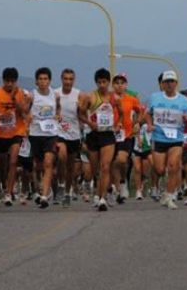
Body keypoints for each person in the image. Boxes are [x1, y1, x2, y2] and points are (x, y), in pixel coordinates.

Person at [146, 70, 187, 210]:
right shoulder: (155, 97)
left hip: (176, 138)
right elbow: (148, 114)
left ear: (176, 83)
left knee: (174, 166)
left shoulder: (183, 100)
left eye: (172, 81)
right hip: (159, 137)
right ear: (162, 84)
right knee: (160, 169)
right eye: (166, 82)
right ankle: (164, 189)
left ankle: (169, 195)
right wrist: (149, 124)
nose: (169, 84)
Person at [78, 68, 123, 212]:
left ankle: (102, 198)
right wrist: (90, 123)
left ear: (109, 82)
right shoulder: (90, 97)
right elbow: (81, 114)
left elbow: (121, 113)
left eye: (104, 82)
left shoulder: (114, 98)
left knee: (105, 166)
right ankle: (103, 191)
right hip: (93, 135)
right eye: (99, 82)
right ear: (96, 82)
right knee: (96, 169)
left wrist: (118, 124)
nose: (102, 85)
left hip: (108, 135)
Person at [0, 67, 28, 206]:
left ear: (16, 81)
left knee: (13, 161)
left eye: (12, 82)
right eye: (7, 81)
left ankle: (8, 193)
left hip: (16, 131)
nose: (9, 84)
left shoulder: (21, 93)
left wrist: (15, 98)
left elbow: (24, 112)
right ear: (3, 80)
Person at [28, 67, 61, 209]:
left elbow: (58, 108)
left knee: (48, 163)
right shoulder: (32, 95)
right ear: (36, 81)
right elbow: (24, 110)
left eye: (45, 79)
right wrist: (27, 116)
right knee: (39, 165)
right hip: (35, 133)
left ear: (50, 81)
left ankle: (44, 195)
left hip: (50, 134)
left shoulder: (55, 95)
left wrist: (58, 115)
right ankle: (46, 188)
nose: (43, 82)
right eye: (40, 79)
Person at [111, 73, 144, 204]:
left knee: (122, 160)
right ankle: (116, 188)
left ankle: (124, 180)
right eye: (117, 83)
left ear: (126, 85)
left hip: (127, 135)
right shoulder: (109, 99)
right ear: (113, 85)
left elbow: (141, 111)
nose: (119, 85)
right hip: (110, 134)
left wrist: (137, 123)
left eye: (122, 83)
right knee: (111, 162)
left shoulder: (131, 99)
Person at [54, 69, 81, 208]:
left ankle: (67, 193)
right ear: (61, 79)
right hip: (59, 133)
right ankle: (60, 183)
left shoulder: (78, 94)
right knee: (61, 156)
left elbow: (82, 114)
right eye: (65, 79)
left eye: (71, 79)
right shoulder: (56, 93)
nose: (68, 82)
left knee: (71, 167)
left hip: (74, 134)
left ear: (74, 80)